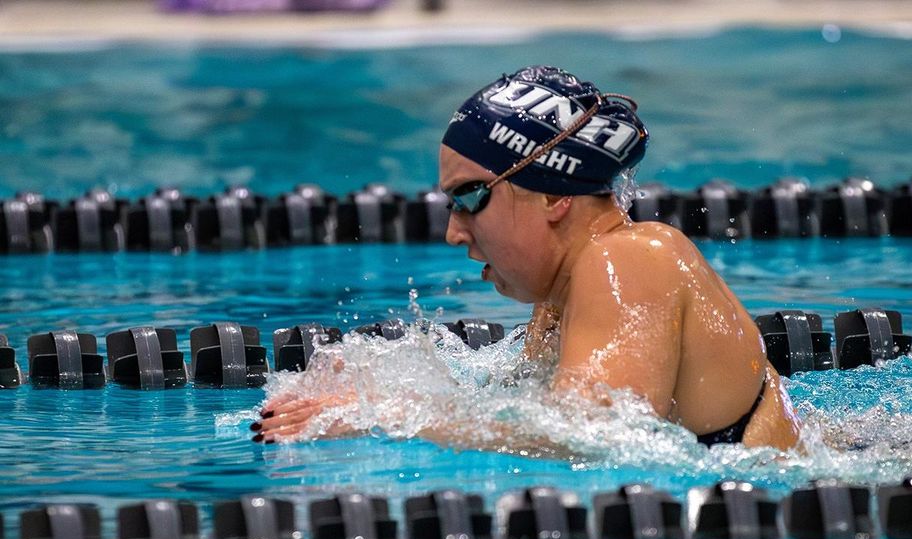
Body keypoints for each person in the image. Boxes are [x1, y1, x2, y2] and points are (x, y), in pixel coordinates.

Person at [254, 65, 801, 451]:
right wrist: (384, 386)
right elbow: (517, 420)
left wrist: (385, 416)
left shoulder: (633, 258)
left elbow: (597, 437)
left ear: (555, 194)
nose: (452, 232)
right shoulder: (560, 302)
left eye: (469, 198)